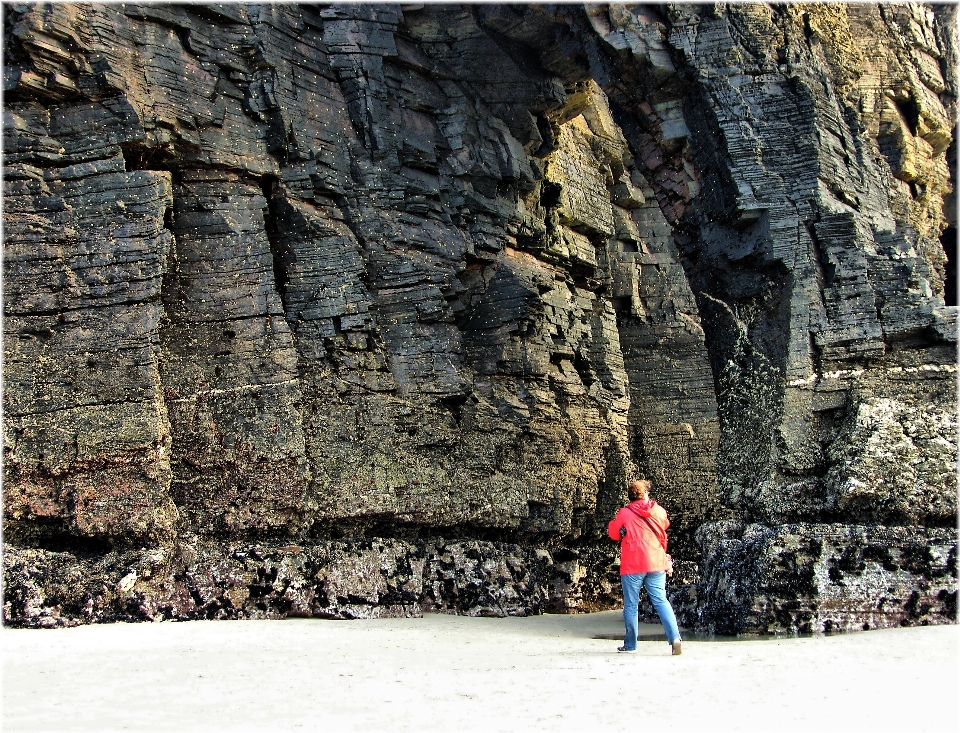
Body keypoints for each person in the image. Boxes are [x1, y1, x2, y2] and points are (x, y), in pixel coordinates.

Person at [607, 479, 682, 655]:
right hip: (656, 562)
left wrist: (623, 531)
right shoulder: (658, 510)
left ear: (630, 496)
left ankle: (631, 645)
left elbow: (613, 533)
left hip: (633, 564)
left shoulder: (624, 513)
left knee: (631, 605)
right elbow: (664, 526)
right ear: (646, 493)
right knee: (661, 600)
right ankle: (675, 639)